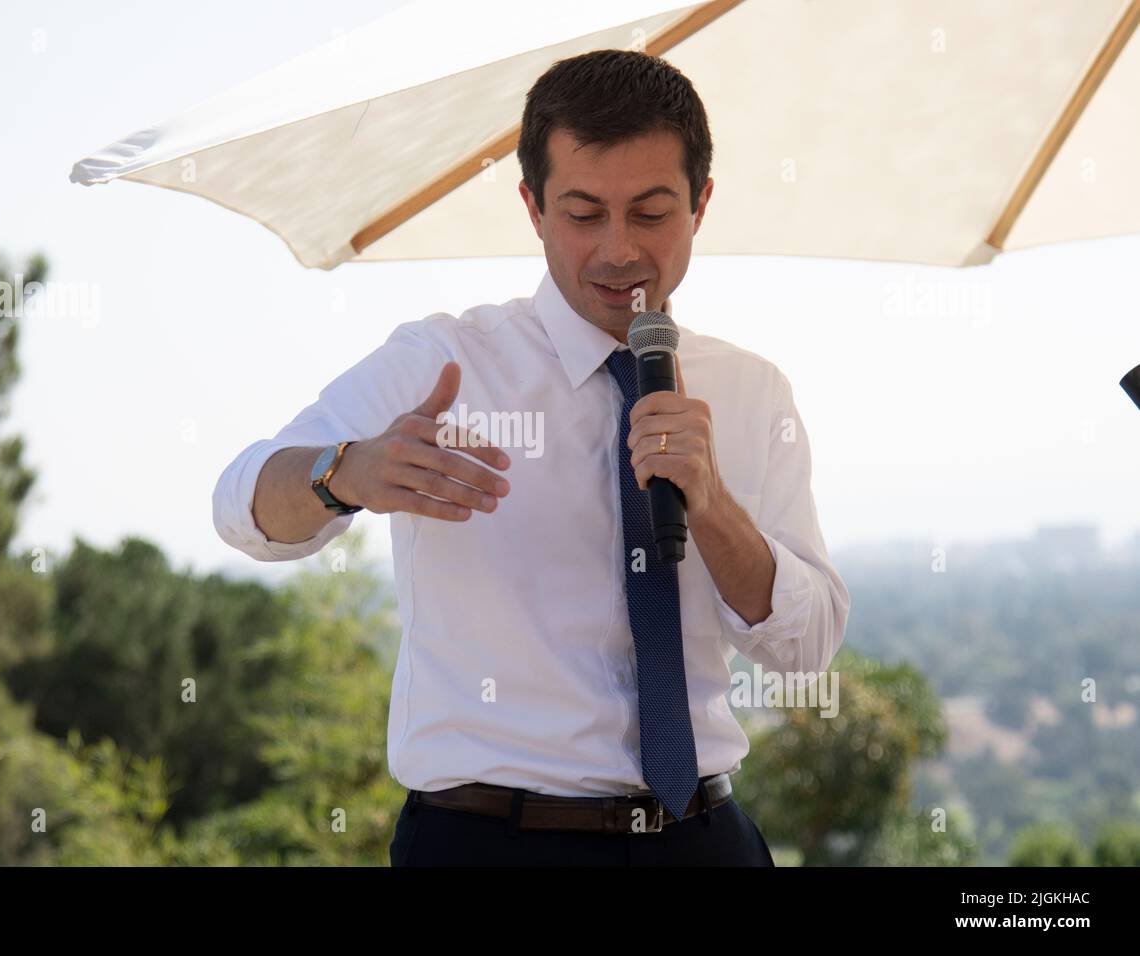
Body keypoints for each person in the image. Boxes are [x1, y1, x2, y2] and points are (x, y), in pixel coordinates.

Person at [212, 49, 850, 866]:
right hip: (486, 843)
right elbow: (242, 510)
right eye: (583, 213)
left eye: (650, 212)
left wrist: (714, 502)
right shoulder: (440, 363)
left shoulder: (755, 392)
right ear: (533, 208)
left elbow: (805, 649)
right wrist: (346, 473)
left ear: (701, 204)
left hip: (703, 839)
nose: (618, 251)